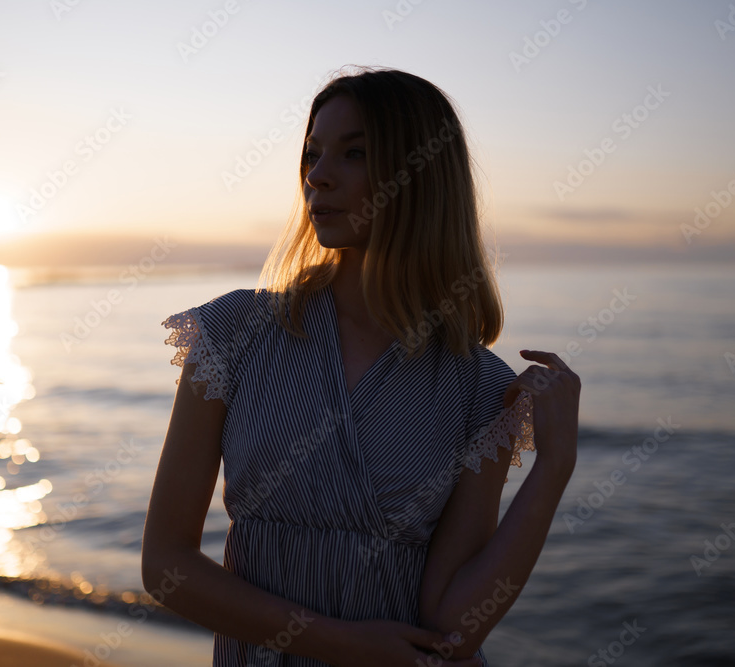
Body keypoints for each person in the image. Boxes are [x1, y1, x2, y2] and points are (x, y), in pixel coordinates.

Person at [141, 65, 580, 666]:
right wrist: (340, 643)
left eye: (354, 154)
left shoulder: (480, 387)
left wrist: (554, 466)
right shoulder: (232, 335)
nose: (317, 177)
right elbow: (166, 567)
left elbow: (453, 627)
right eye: (312, 154)